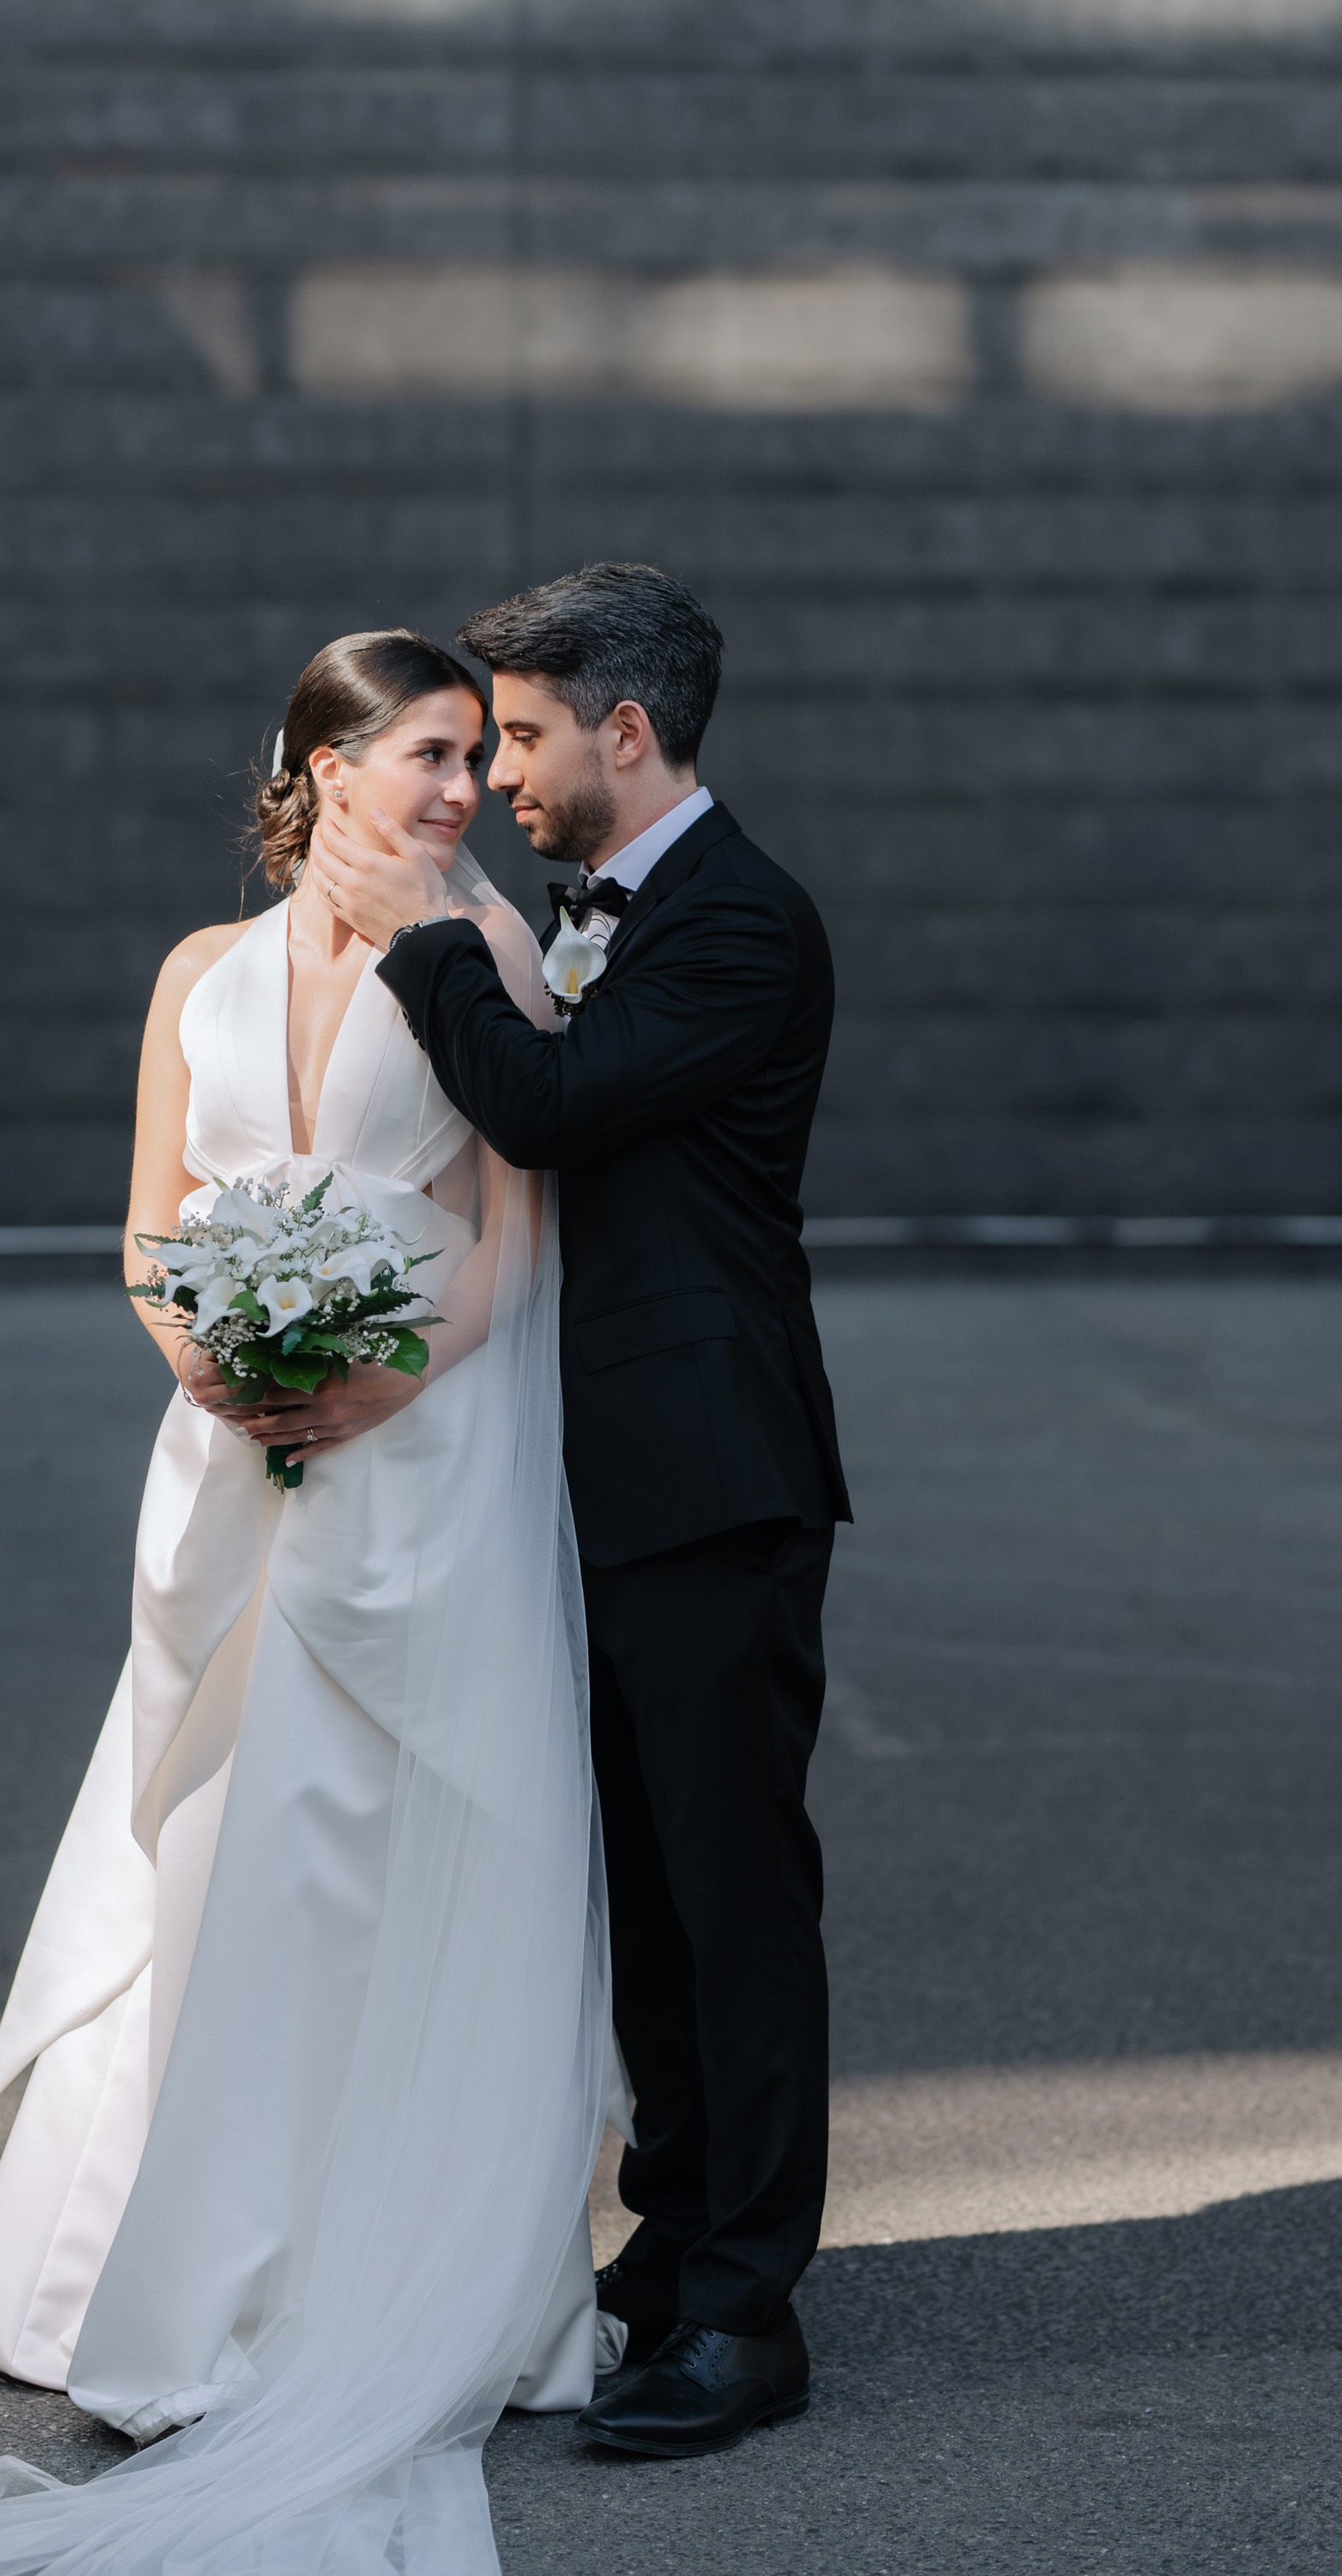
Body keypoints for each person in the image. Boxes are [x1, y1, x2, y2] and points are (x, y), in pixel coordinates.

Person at [0, 631, 611, 2576]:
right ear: (320, 764)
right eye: (424, 753)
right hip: (228, 1452)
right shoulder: (192, 976)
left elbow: (506, 1241)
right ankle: (131, 2264)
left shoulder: (488, 955)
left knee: (363, 1837)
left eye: (478, 759)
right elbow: (153, 1222)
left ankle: (359, 2269)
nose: (460, 790)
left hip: (419, 1447)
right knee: (208, 1842)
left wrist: (381, 1376)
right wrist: (200, 1352)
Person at [310, 560, 852, 2462]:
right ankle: (670, 2240)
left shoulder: (738, 925)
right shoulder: (596, 902)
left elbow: (552, 1107)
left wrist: (422, 940)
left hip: (707, 1473)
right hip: (583, 1473)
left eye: (526, 735)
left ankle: (746, 2310)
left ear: (629, 733)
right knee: (640, 1899)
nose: (501, 775)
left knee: (729, 1895)